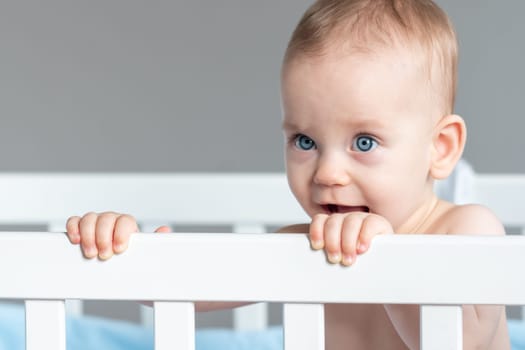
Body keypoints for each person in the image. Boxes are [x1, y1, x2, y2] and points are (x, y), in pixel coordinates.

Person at [66, 0, 510, 348]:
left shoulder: (467, 230)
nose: (329, 172)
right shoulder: (303, 243)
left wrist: (384, 255)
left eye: (364, 143)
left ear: (441, 148)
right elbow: (183, 285)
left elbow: (460, 344)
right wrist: (120, 246)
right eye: (305, 141)